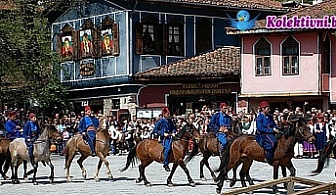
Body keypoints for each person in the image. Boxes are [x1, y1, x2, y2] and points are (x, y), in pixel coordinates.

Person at [255, 101, 280, 165]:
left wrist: (276, 128)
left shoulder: (270, 117)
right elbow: (260, 128)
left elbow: (273, 124)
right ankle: (268, 157)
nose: (269, 110)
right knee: (273, 142)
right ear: (263, 109)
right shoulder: (259, 118)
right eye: (267, 108)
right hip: (263, 134)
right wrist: (272, 130)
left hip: (271, 132)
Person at [154, 107, 177, 172]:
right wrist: (163, 134)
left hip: (171, 137)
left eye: (169, 114)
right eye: (168, 114)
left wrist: (173, 132)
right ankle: (165, 163)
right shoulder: (160, 121)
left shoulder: (170, 121)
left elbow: (173, 128)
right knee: (168, 148)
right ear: (164, 114)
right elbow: (155, 130)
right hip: (163, 138)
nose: (169, 115)